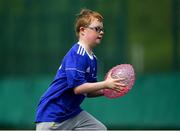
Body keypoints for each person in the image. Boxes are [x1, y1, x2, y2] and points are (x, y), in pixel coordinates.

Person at [35, 8, 125, 130]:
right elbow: (78, 89)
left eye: (102, 29)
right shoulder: (77, 54)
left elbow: (88, 91)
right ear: (82, 30)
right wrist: (105, 84)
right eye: (97, 28)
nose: (102, 32)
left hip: (71, 113)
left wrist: (108, 89)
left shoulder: (93, 59)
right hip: (53, 114)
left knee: (99, 129)